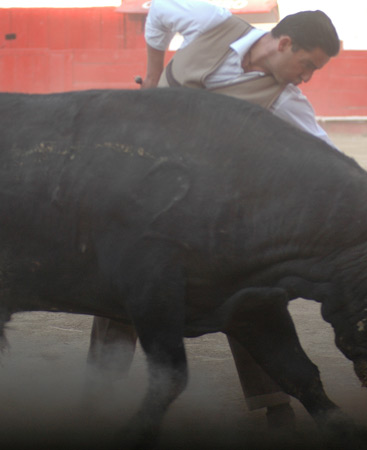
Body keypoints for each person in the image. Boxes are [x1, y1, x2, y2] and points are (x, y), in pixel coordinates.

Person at [87, 0, 340, 429]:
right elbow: (161, 10)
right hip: (143, 185)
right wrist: (152, 74)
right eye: (307, 64)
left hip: (208, 204)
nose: (307, 77)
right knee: (123, 280)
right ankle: (98, 396)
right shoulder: (213, 24)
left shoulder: (287, 100)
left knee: (246, 285)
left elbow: (329, 159)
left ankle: (275, 400)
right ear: (284, 43)